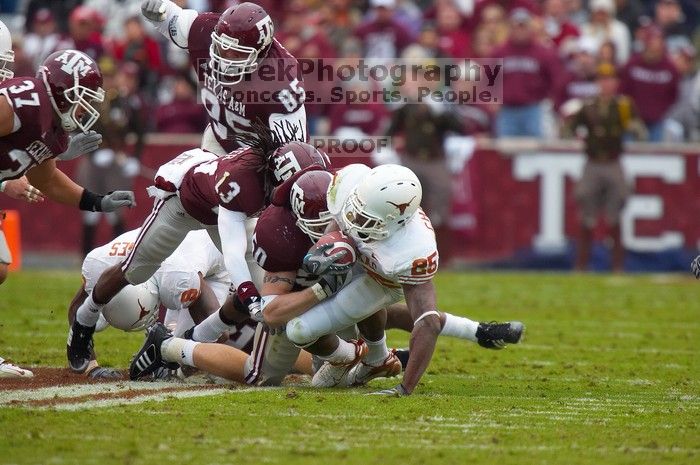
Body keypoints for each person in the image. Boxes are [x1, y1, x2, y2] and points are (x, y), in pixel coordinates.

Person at [129, 167, 524, 390]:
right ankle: (168, 345)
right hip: (271, 299)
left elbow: (417, 313)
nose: (339, 227)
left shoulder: (401, 244)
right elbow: (268, 311)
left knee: (365, 310)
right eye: (336, 217)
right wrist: (320, 288)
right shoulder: (281, 231)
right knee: (263, 369)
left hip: (285, 291)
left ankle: (369, 356)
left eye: (334, 220)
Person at [67, 134, 330, 374]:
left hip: (220, 209)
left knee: (264, 286)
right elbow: (232, 252)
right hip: (183, 204)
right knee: (137, 269)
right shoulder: (243, 183)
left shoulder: (267, 172)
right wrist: (249, 296)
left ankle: (181, 343)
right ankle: (85, 319)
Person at [68, 229, 256, 379]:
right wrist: (91, 367)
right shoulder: (98, 263)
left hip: (214, 259)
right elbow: (77, 308)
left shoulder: (180, 277)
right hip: (170, 264)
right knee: (93, 322)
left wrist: (179, 359)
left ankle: (167, 356)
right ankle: (163, 351)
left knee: (184, 348)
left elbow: (218, 332)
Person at [140, 0, 307, 155]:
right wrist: (156, 8)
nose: (226, 59)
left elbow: (292, 153)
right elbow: (168, 17)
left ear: (260, 54)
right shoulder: (204, 30)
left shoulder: (281, 81)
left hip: (261, 155)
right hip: (219, 137)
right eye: (222, 48)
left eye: (236, 54)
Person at [562, 63, 647, 272]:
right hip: (592, 162)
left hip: (613, 161)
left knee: (615, 210)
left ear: (616, 83)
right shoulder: (588, 105)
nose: (606, 84)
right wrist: (568, 132)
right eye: (602, 79)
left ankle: (617, 265)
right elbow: (570, 128)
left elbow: (639, 130)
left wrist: (635, 129)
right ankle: (581, 264)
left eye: (610, 80)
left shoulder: (623, 106)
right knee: (585, 207)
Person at [492, 8, 563, 138]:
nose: (520, 30)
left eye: (523, 26)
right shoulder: (499, 52)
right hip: (507, 110)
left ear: (530, 28)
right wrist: (492, 100)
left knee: (535, 152)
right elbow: (489, 79)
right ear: (510, 28)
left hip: (533, 109)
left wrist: (550, 100)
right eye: (516, 27)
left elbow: (556, 79)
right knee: (506, 151)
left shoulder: (543, 53)